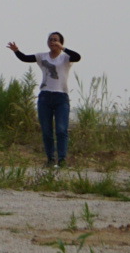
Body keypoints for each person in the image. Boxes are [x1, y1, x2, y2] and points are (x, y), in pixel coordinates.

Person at [8, 32, 82, 168]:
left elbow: (77, 57)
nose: (52, 42)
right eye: (50, 40)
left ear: (60, 42)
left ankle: (62, 159)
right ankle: (50, 159)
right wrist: (16, 51)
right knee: (47, 130)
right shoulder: (42, 56)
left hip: (61, 97)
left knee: (61, 129)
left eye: (55, 40)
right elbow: (25, 58)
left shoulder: (65, 58)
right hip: (45, 96)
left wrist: (63, 48)